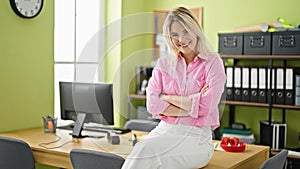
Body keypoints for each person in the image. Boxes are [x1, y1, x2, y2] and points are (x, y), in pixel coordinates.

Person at [121, 7, 226, 169]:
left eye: (185, 32)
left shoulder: (213, 62)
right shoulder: (164, 63)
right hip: (164, 130)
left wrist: (167, 97)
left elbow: (208, 105)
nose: (181, 40)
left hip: (196, 137)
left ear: (195, 29)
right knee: (141, 150)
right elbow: (152, 104)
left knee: (146, 151)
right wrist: (194, 104)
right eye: (174, 35)